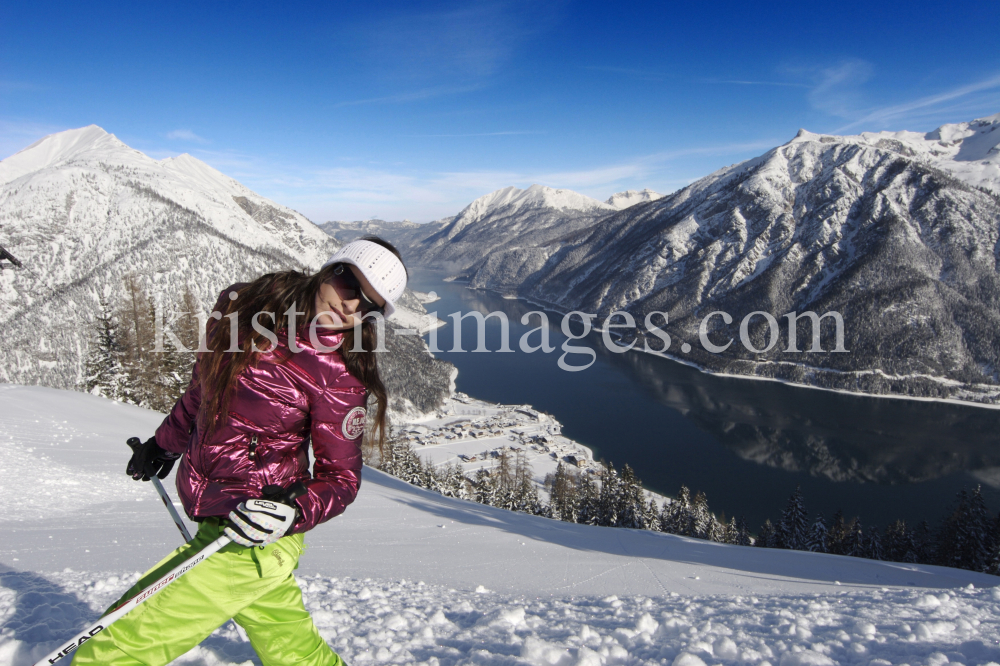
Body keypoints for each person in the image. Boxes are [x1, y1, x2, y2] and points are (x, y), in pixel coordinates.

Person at [71, 237, 408, 666]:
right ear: (331, 268)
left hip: (256, 534)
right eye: (350, 284)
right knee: (294, 653)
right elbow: (202, 391)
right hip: (219, 519)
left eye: (369, 306)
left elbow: (340, 479)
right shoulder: (240, 307)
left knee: (110, 650)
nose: (351, 307)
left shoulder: (338, 374)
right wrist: (163, 445)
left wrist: (293, 511)